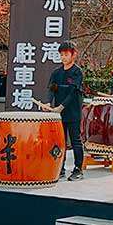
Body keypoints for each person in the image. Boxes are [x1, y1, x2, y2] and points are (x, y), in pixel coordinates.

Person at [45, 40, 84, 181]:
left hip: (72, 112)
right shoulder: (57, 72)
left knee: (75, 141)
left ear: (73, 55)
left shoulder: (77, 72)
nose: (63, 57)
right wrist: (49, 101)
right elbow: (52, 88)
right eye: (61, 54)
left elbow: (73, 92)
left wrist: (61, 107)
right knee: (60, 142)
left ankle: (78, 169)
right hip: (58, 113)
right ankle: (60, 168)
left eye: (66, 54)